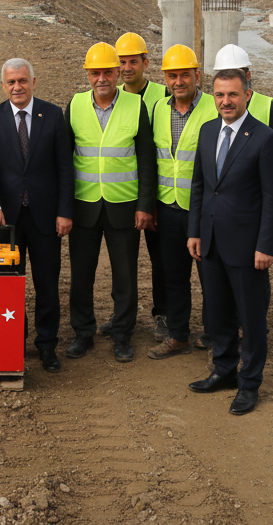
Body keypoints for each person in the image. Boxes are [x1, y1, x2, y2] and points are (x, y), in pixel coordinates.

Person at [187, 67, 273, 415]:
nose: (225, 101)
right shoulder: (208, 130)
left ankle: (249, 384)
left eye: (232, 94)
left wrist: (266, 245)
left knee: (252, 318)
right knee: (218, 315)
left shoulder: (265, 139)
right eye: (219, 94)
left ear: (247, 94)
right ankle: (224, 371)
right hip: (211, 242)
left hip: (247, 247)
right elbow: (199, 186)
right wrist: (194, 231)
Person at [0, 58, 74, 373]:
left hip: (46, 218)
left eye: (22, 80)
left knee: (46, 285)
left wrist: (64, 212)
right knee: (9, 286)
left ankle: (47, 346)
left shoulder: (54, 115)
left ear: (34, 81)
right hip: (6, 220)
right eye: (11, 82)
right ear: (2, 85)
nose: (17, 87)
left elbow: (64, 168)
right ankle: (12, 342)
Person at [65, 42, 156, 362]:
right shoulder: (75, 105)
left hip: (124, 207)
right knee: (81, 275)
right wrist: (64, 208)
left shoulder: (135, 106)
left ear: (119, 72)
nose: (101, 78)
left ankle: (122, 334)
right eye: (95, 72)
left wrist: (145, 205)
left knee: (125, 276)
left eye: (107, 71)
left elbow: (147, 161)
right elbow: (66, 162)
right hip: (84, 206)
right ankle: (83, 333)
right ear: (87, 74)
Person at [147, 44, 217, 360]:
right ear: (165, 78)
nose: (178, 82)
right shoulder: (159, 110)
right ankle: (178, 335)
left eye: (184, 75)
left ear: (197, 76)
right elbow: (153, 161)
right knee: (174, 275)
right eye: (172, 76)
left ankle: (217, 334)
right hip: (168, 207)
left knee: (211, 275)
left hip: (201, 210)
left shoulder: (213, 109)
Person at [98, 32, 168, 344]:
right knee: (122, 261)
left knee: (161, 259)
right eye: (121, 62)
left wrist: (151, 200)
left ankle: (164, 315)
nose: (127, 68)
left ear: (145, 63)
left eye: (133, 61)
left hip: (160, 193)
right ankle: (120, 315)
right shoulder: (112, 97)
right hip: (123, 196)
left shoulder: (162, 96)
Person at [211, 45, 273, 160]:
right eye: (224, 74)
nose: (230, 79)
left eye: (236, 74)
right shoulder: (210, 105)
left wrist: (256, 164)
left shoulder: (267, 106)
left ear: (247, 76)